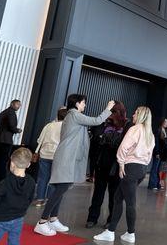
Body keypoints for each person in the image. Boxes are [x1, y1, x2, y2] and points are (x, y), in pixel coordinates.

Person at [34, 95, 115, 237]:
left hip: (67, 156)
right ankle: (42, 222)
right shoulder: (74, 114)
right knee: (61, 188)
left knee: (60, 187)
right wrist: (108, 108)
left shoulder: (73, 116)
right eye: (83, 103)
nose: (85, 105)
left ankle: (53, 219)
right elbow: (96, 121)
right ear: (77, 104)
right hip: (66, 156)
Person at [94, 106, 155, 243]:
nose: (133, 115)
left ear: (141, 115)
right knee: (117, 198)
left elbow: (123, 148)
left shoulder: (135, 129)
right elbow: (149, 155)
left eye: (136, 113)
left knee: (130, 202)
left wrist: (121, 164)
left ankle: (130, 233)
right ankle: (111, 231)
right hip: (142, 169)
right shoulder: (149, 133)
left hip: (130, 168)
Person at [85, 101, 128, 228]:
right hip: (102, 163)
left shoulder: (126, 125)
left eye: (113, 112)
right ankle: (92, 218)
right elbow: (96, 137)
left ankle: (111, 221)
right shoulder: (103, 123)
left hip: (116, 165)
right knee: (98, 193)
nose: (111, 114)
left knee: (114, 196)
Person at [0, 147, 35, 245]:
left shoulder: (5, 182)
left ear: (12, 163)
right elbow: (30, 198)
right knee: (14, 241)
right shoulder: (31, 182)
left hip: (1, 218)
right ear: (28, 164)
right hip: (19, 218)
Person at [34, 107, 68, 207]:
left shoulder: (49, 125)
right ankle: (49, 199)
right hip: (57, 155)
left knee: (42, 178)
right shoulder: (66, 127)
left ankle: (39, 200)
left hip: (44, 154)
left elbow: (39, 140)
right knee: (54, 179)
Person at [0, 100, 22, 184]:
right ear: (12, 104)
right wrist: (17, 130)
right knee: (3, 160)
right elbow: (12, 126)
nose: (19, 106)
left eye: (20, 105)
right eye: (17, 104)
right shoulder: (11, 113)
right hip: (5, 139)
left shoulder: (3, 112)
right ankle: (0, 179)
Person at [148, 117, 167, 191]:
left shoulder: (164, 130)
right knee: (155, 168)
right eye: (165, 121)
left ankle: (157, 184)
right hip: (158, 153)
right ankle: (152, 184)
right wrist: (157, 152)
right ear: (162, 122)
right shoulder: (158, 130)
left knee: (158, 169)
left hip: (162, 153)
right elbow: (156, 143)